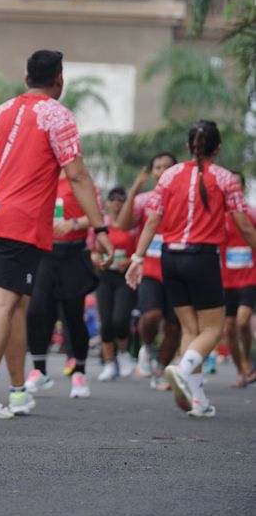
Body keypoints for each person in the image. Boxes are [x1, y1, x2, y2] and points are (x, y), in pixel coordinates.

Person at [0, 50, 114, 419]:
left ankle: (18, 391)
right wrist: (100, 227)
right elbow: (77, 175)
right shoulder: (58, 116)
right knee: (2, 302)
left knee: (16, 304)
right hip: (20, 220)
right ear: (59, 79)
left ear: (27, 77)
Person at [126, 120, 256, 418]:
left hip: (170, 258)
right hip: (202, 258)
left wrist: (137, 257)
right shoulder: (225, 178)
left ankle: (198, 400)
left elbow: (152, 220)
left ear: (188, 146)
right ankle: (183, 370)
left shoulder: (169, 175)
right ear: (217, 148)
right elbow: (245, 226)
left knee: (190, 329)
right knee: (213, 329)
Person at [25, 170, 100, 399]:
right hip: (44, 253)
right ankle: (39, 370)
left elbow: (96, 215)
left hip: (73, 254)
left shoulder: (80, 180)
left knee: (73, 315)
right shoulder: (39, 178)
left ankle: (79, 372)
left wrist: (73, 223)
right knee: (36, 311)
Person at [118, 153, 180, 390]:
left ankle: (162, 370)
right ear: (153, 172)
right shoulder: (145, 200)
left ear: (176, 170)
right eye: (158, 167)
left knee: (173, 326)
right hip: (150, 270)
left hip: (178, 269)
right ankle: (148, 346)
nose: (162, 171)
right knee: (151, 315)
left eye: (167, 167)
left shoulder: (185, 198)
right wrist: (134, 190)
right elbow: (123, 224)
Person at [94, 186, 137, 382]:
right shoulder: (101, 224)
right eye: (113, 198)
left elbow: (140, 251)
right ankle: (109, 363)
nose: (117, 202)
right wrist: (96, 258)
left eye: (121, 199)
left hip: (124, 276)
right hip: (105, 275)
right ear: (108, 202)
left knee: (120, 319)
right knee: (106, 321)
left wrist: (128, 261)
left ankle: (123, 353)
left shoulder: (133, 224)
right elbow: (92, 249)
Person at [220, 171, 256, 387]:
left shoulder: (250, 213)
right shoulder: (220, 215)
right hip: (227, 281)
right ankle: (240, 369)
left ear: (242, 188)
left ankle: (247, 360)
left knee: (243, 321)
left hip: (250, 278)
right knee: (229, 328)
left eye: (236, 184)